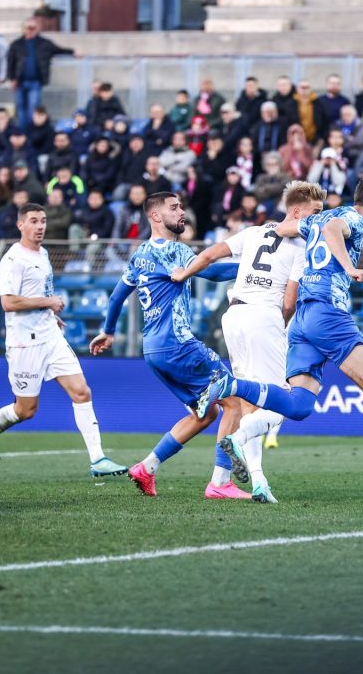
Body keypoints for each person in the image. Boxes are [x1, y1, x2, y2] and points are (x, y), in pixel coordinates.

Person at [199, 176, 363, 490]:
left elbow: (282, 229)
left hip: (302, 319)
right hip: (327, 312)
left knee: (299, 405)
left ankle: (236, 409)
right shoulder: (353, 220)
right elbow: (332, 230)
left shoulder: (318, 219)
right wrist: (350, 268)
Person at [172, 182, 323, 497]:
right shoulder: (300, 247)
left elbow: (210, 254)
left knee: (250, 404)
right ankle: (237, 435)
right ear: (297, 212)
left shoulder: (253, 233)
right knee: (285, 401)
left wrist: (185, 273)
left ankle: (256, 481)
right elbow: (289, 302)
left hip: (234, 316)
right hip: (264, 317)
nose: (319, 219)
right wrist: (281, 326)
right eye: (316, 212)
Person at [88, 193, 241, 497]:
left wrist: (108, 331)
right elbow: (211, 272)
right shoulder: (173, 250)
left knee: (205, 414)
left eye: (181, 206)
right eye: (174, 208)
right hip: (178, 344)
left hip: (154, 350)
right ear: (156, 216)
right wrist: (254, 268)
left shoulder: (140, 254)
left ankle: (147, 467)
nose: (181, 212)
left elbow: (116, 297)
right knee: (233, 401)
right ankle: (220, 484)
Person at [0, 203, 128, 477]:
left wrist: (50, 314)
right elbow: (8, 302)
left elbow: (41, 293)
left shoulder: (43, 253)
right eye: (33, 221)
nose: (40, 226)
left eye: (42, 221)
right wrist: (48, 302)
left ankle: (98, 459)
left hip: (50, 336)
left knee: (82, 392)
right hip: (24, 343)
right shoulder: (12, 259)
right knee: (25, 410)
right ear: (20, 225)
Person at [6, 18, 75, 127]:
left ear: (37, 29)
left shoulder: (44, 44)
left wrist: (73, 52)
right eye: (28, 28)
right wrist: (12, 79)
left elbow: (58, 50)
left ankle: (31, 130)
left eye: (33, 28)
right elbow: (10, 62)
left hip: (35, 81)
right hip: (20, 82)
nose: (30, 30)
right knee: (20, 108)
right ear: (23, 29)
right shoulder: (16, 44)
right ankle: (23, 131)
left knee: (33, 108)